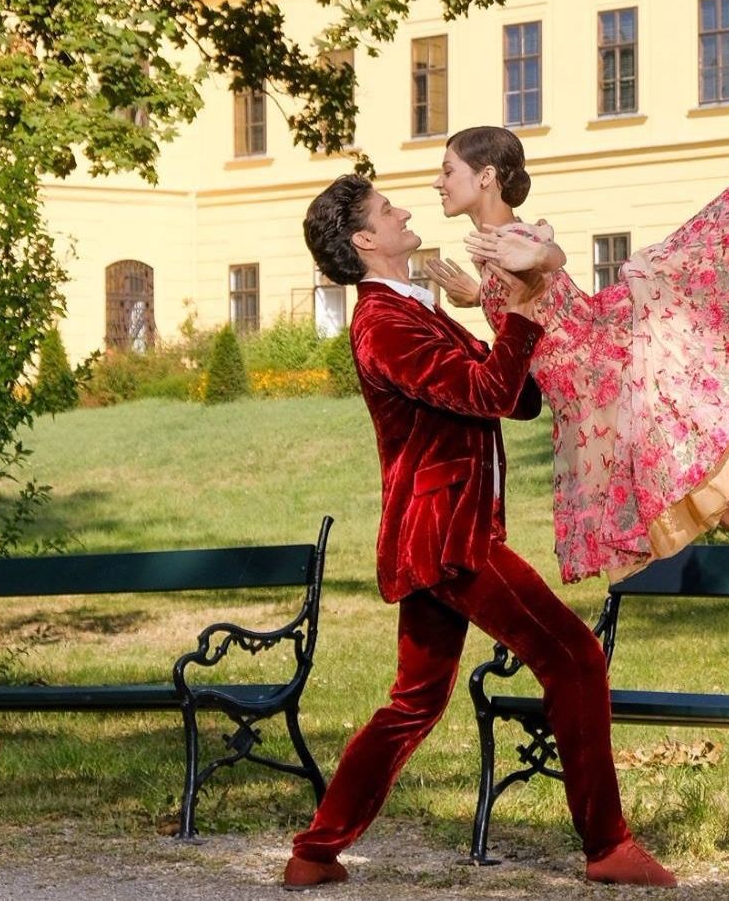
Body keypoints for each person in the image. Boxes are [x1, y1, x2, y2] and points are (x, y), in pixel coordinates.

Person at [426, 0, 729, 711]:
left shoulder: (519, 241)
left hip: (638, 391)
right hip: (620, 407)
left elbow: (552, 260)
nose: (439, 182)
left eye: (449, 171)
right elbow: (539, 314)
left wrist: (533, 260)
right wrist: (480, 295)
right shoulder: (497, 258)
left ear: (486, 177)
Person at [286, 175, 674, 890]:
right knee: (577, 658)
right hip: (449, 539)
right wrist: (523, 310)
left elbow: (515, 396)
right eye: (386, 210)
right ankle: (607, 845)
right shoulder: (383, 324)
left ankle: (315, 852)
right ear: (366, 240)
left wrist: (532, 325)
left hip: (439, 532)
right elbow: (490, 391)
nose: (405, 211)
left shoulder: (414, 309)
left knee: (415, 701)